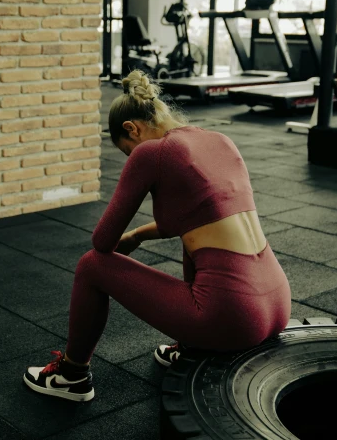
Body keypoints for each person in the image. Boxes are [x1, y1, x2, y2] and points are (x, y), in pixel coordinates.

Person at [23, 70, 291, 402]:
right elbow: (199, 217)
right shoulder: (219, 140)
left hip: (231, 315)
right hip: (279, 303)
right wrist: (137, 236)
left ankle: (72, 376)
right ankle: (193, 345)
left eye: (127, 149)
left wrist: (128, 226)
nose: (130, 156)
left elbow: (102, 241)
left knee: (92, 265)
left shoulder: (152, 154)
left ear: (131, 129)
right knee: (196, 243)